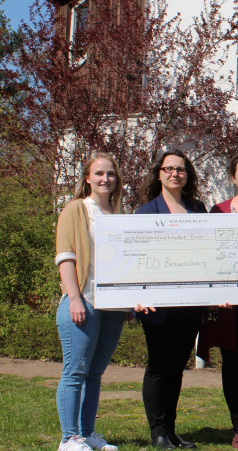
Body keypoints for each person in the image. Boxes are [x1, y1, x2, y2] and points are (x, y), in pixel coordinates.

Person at [55, 152, 127, 451]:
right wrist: (74, 297)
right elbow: (65, 255)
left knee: (94, 374)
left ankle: (87, 433)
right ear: (87, 178)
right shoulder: (76, 209)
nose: (105, 179)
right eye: (99, 174)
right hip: (82, 300)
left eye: (110, 174)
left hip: (112, 306)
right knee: (75, 371)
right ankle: (69, 438)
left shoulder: (121, 215)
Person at [135, 149, 207, 450]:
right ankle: (159, 433)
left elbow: (208, 254)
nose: (175, 174)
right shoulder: (145, 213)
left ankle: (172, 431)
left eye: (180, 169)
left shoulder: (198, 210)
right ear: (159, 174)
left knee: (177, 366)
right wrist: (135, 297)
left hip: (189, 305)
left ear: (187, 175)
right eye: (169, 169)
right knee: (159, 367)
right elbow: (134, 259)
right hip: (157, 306)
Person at [197, 153, 238, 448]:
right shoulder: (219, 212)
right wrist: (215, 294)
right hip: (230, 304)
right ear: (233, 178)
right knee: (232, 364)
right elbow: (210, 257)